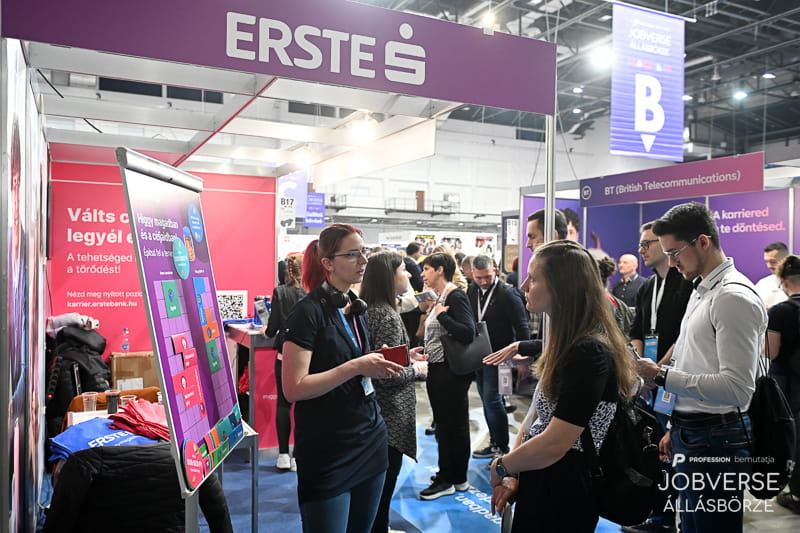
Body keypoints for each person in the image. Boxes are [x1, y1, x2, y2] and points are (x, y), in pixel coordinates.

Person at [484, 240, 637, 532]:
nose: (524, 285)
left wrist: (502, 465)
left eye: (534, 278)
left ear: (561, 287)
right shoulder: (567, 343)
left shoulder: (588, 351)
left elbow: (556, 442)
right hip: (544, 475)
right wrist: (515, 471)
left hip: (564, 487)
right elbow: (536, 417)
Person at [635, 202, 766, 533]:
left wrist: (662, 375)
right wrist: (675, 426)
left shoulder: (732, 298)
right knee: (692, 525)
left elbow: (737, 389)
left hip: (717, 438)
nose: (672, 262)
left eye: (675, 252)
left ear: (703, 242)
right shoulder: (702, 289)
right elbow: (692, 357)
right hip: (694, 433)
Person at [282, 224, 404, 533]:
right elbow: (294, 388)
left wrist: (379, 359)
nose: (363, 261)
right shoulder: (307, 313)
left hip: (370, 438)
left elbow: (347, 358)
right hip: (328, 448)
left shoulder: (355, 306)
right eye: (352, 254)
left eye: (364, 252)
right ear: (328, 262)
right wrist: (356, 366)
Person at [623, 222, 692, 533]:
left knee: (672, 453)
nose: (642, 250)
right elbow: (637, 330)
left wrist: (658, 370)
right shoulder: (648, 287)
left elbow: (685, 335)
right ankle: (658, 516)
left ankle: (672, 519)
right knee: (653, 451)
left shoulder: (686, 284)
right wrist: (641, 366)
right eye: (640, 244)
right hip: (649, 383)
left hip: (674, 380)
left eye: (647, 244)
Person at [360, 251, 428, 533]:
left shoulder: (372, 309)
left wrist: (406, 358)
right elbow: (388, 375)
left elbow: (379, 358)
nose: (409, 274)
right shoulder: (386, 315)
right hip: (390, 415)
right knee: (384, 483)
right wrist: (417, 370)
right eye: (403, 269)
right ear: (389, 276)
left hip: (377, 413)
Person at [412, 252, 476, 500]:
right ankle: (455, 476)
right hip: (440, 369)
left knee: (451, 426)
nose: (422, 274)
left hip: (449, 371)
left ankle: (449, 478)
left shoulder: (455, 295)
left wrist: (441, 316)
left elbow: (468, 332)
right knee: (449, 425)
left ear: (440, 270)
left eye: (427, 269)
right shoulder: (440, 296)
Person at [468, 255, 530, 460]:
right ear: (472, 274)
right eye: (479, 277)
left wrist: (523, 356)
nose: (483, 281)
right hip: (479, 354)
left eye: (487, 276)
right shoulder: (472, 290)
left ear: (494, 270)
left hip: (501, 355)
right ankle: (495, 443)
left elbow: (522, 325)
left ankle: (502, 447)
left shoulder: (508, 293)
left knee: (492, 400)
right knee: (487, 400)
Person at [264, 253, 306, 472]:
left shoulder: (280, 292)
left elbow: (272, 329)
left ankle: (283, 454)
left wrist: (267, 329)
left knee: (284, 404)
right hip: (309, 357)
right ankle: (298, 456)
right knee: (304, 407)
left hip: (285, 354)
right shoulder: (312, 293)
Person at [765, 255, 800, 514]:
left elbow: (771, 352)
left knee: (794, 437)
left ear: (784, 282)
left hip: (789, 385)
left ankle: (796, 494)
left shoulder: (779, 312)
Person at [755, 241, 789, 309]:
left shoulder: (796, 283)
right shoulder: (762, 284)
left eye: (773, 261)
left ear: (785, 259)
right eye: (766, 262)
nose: (769, 266)